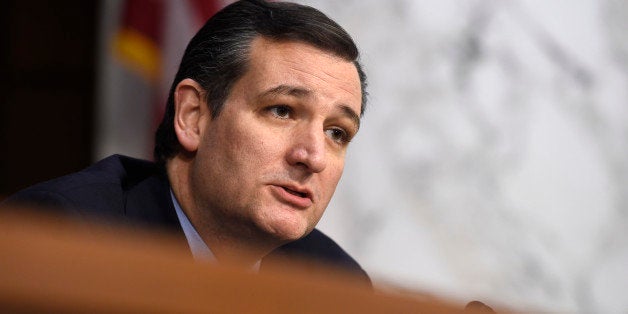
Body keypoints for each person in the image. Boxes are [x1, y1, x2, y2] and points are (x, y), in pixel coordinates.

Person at [3, 0, 369, 283]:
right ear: (192, 116)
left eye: (336, 132)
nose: (313, 156)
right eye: (282, 111)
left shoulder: (333, 279)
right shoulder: (69, 235)